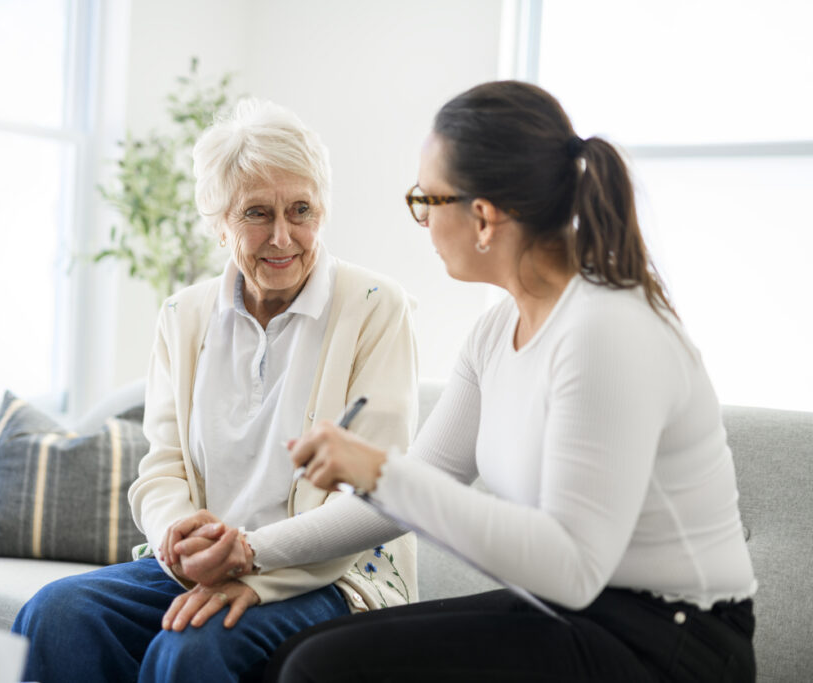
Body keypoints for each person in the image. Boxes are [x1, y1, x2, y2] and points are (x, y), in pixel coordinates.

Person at [269, 81, 758, 682]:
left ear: (483, 217)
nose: (421, 219)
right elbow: (419, 486)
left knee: (319, 670)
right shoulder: (498, 329)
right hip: (574, 614)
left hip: (674, 643)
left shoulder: (605, 331)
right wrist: (251, 551)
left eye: (426, 199)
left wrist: (377, 471)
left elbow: (573, 566)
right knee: (293, 657)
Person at [11, 98, 419, 683]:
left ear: (322, 211)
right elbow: (163, 467)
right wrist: (177, 539)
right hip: (202, 567)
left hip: (333, 574)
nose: (282, 236)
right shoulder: (184, 314)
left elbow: (374, 497)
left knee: (194, 650)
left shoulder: (377, 308)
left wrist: (255, 566)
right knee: (56, 613)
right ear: (218, 222)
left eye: (300, 209)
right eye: (257, 213)